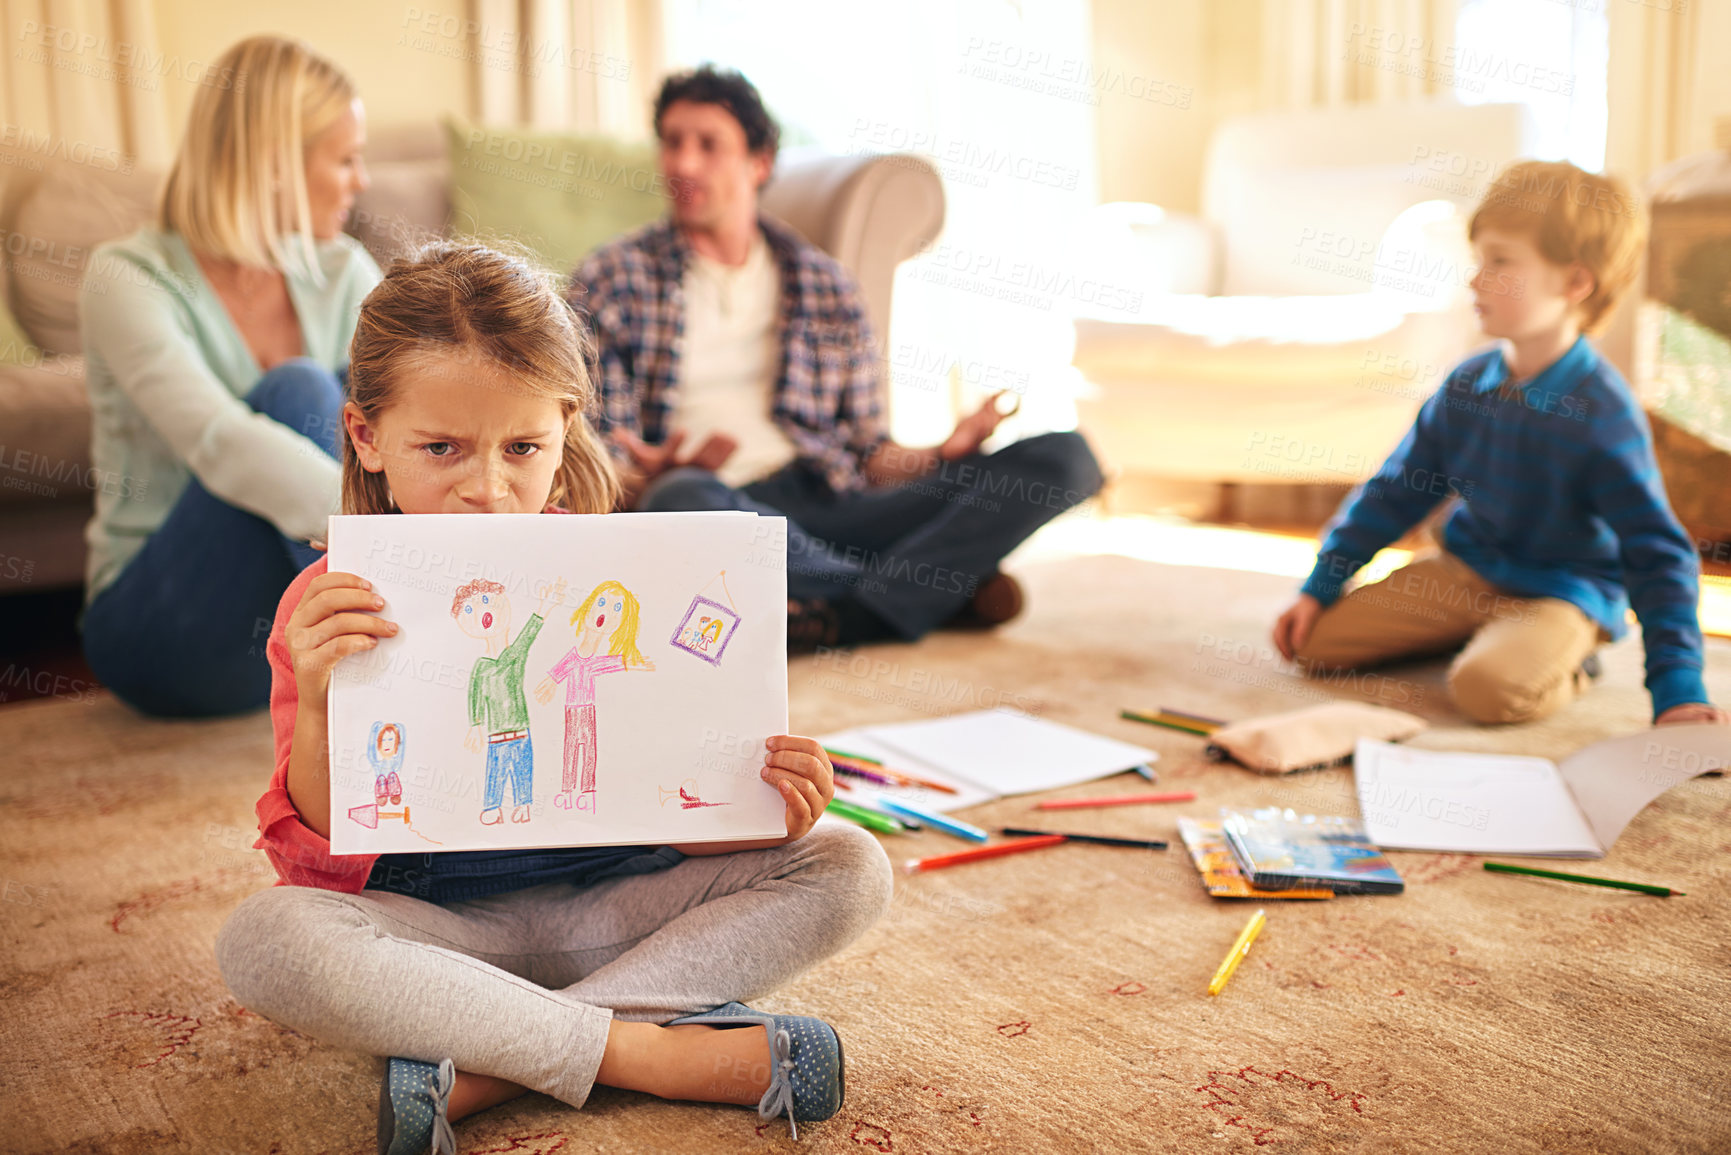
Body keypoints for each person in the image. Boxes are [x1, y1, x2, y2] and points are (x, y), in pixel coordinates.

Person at [213, 242, 893, 1150]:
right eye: (441, 447)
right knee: (267, 935)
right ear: (367, 436)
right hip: (436, 933)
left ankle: (492, 1061)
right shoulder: (326, 605)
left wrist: (767, 803)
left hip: (617, 910)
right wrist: (325, 699)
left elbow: (675, 811)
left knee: (846, 864)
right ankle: (645, 1050)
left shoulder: (616, 578)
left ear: (565, 432)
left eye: (523, 447)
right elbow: (316, 866)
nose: (487, 489)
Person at [570, 66, 1104, 651]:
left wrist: (940, 454)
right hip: (720, 504)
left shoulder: (825, 284)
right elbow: (596, 462)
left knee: (1065, 456)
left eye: (707, 145)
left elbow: (869, 453)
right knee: (680, 502)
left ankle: (842, 607)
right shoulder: (611, 280)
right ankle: (915, 592)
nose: (683, 164)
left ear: (759, 162)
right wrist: (648, 475)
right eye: (672, 142)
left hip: (835, 500)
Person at [1272, 161, 1727, 729]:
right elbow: (1395, 491)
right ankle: (1478, 635)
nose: (1474, 279)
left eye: (1500, 263)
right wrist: (1322, 584)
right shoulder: (1467, 384)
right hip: (1466, 572)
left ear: (1575, 283)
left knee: (1488, 692)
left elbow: (1658, 554)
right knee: (1316, 645)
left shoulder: (1603, 414)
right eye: (1478, 260)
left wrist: (1678, 686)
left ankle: (1571, 658)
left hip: (1560, 594)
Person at [79, 36, 380, 717]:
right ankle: (396, 669)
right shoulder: (126, 277)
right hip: (159, 630)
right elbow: (219, 439)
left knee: (380, 395)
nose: (361, 181)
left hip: (281, 638)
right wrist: (392, 546)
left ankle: (374, 681)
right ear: (276, 164)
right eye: (345, 159)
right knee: (299, 390)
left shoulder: (342, 269)